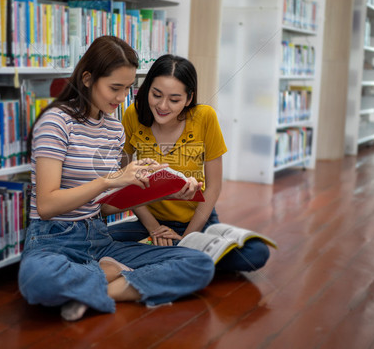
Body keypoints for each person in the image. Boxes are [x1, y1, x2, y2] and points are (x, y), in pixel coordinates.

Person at [18, 36, 215, 321]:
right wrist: (111, 180)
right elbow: (47, 205)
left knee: (199, 264)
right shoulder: (56, 122)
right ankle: (111, 274)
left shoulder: (113, 129)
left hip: (99, 237)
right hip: (54, 239)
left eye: (127, 89)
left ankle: (92, 290)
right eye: (115, 88)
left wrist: (160, 188)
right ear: (87, 79)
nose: (122, 98)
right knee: (37, 280)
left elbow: (106, 208)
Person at [108, 54, 271, 272]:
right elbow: (125, 178)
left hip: (198, 220)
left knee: (256, 253)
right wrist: (155, 229)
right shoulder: (133, 115)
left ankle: (171, 256)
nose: (163, 105)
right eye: (156, 95)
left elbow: (213, 187)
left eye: (174, 99)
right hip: (151, 221)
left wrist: (187, 238)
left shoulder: (205, 117)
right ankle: (185, 260)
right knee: (97, 241)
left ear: (188, 98)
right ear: (146, 89)